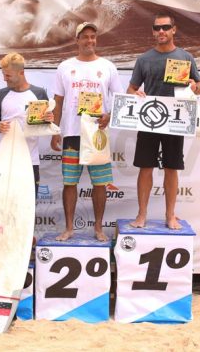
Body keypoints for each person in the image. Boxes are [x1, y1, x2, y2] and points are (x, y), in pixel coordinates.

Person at [127, 12, 200, 230]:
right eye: (157, 28)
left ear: (173, 29)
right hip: (149, 119)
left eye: (165, 27)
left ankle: (170, 216)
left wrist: (193, 85)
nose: (161, 31)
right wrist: (135, 94)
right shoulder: (143, 59)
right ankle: (141, 215)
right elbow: (131, 89)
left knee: (172, 168)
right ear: (153, 32)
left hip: (176, 120)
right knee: (145, 167)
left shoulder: (186, 57)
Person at [51, 22, 124, 242]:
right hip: (72, 133)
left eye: (93, 36)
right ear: (77, 39)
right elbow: (58, 100)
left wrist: (109, 116)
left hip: (96, 134)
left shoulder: (108, 66)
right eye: (85, 37)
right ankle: (69, 228)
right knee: (69, 182)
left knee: (99, 183)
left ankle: (99, 228)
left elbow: (119, 98)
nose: (89, 41)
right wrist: (55, 130)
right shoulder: (64, 66)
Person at [0, 52, 53, 196]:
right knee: (5, 205)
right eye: (3, 75)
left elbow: (46, 125)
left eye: (8, 76)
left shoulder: (39, 93)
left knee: (28, 207)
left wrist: (49, 118)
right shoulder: (1, 94)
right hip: (6, 160)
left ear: (21, 72)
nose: (4, 79)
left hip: (30, 161)